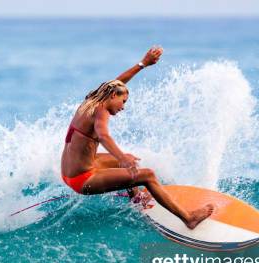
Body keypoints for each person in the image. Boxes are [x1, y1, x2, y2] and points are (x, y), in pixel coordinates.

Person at [61, 46, 214, 229]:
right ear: (112, 96)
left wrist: (143, 64)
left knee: (129, 162)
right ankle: (189, 218)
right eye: (123, 101)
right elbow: (103, 135)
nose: (123, 107)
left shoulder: (92, 100)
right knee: (147, 174)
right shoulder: (101, 110)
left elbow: (117, 82)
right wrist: (122, 157)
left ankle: (137, 199)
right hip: (83, 178)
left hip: (69, 171)